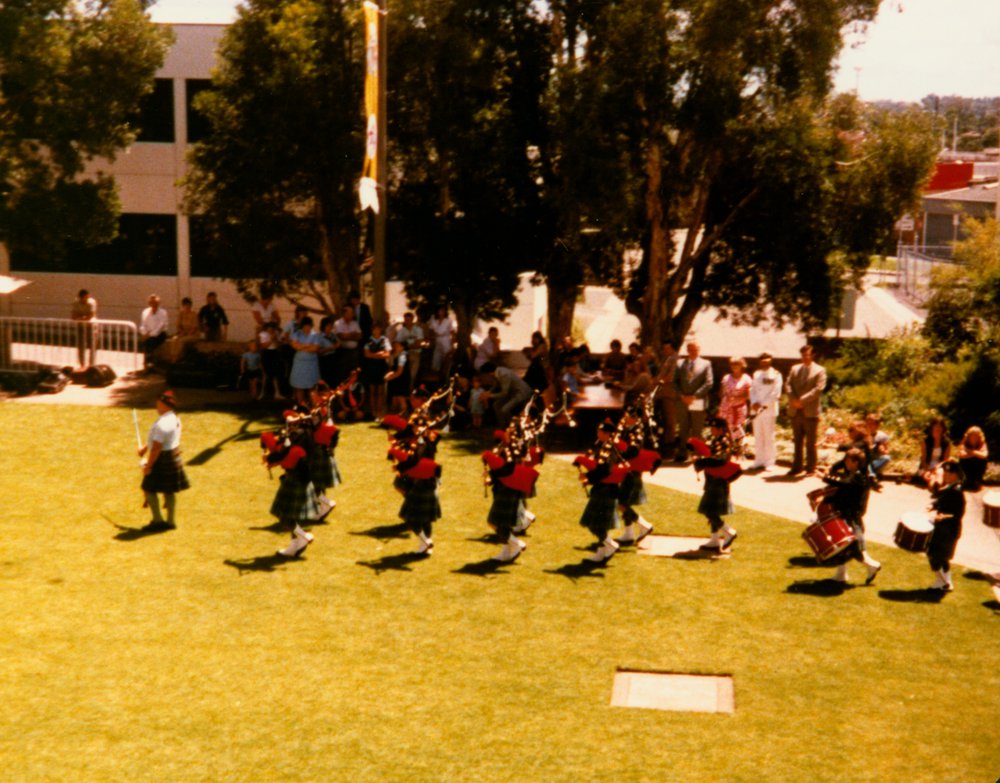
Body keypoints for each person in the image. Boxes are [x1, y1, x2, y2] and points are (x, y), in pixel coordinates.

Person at [819, 447, 882, 585]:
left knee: (852, 547)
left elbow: (844, 484)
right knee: (843, 546)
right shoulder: (853, 474)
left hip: (851, 516)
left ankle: (872, 565)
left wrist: (825, 477)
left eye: (848, 460)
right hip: (847, 514)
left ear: (855, 462)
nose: (845, 462)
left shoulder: (859, 476)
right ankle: (841, 574)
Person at [574, 420, 628, 563]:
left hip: (605, 489)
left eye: (600, 431)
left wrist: (588, 477)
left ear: (607, 433)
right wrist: (589, 479)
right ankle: (601, 553)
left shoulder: (608, 449)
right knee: (600, 525)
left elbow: (604, 470)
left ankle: (610, 545)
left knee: (594, 524)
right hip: (605, 488)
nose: (597, 433)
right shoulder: (605, 446)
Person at [137, 390, 190, 532]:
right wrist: (145, 448)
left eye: (158, 402)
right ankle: (171, 521)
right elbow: (158, 441)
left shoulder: (163, 424)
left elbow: (157, 448)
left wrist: (148, 465)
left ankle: (158, 521)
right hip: (172, 455)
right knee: (169, 490)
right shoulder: (174, 418)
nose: (156, 404)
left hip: (162, 457)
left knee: (148, 488)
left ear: (164, 405)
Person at [694, 417, 738, 553]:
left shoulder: (724, 441)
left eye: (714, 428)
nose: (711, 430)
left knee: (709, 510)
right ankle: (714, 540)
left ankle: (728, 531)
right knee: (713, 510)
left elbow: (720, 460)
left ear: (720, 429)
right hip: (712, 479)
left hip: (719, 480)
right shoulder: (716, 440)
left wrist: (703, 461)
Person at [785, 344, 827, 476]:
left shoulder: (820, 370)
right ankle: (796, 467)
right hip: (795, 410)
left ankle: (811, 468)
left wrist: (802, 400)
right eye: (802, 355)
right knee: (797, 441)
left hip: (810, 411)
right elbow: (788, 385)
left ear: (813, 355)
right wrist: (793, 399)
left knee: (810, 442)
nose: (804, 357)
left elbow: (818, 389)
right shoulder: (794, 369)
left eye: (807, 355)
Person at [926, 459, 966, 592]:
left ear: (955, 474)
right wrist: (932, 505)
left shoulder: (957, 490)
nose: (945, 475)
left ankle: (946, 583)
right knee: (934, 554)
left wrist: (943, 517)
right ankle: (942, 581)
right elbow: (941, 500)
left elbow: (958, 513)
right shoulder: (950, 487)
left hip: (949, 529)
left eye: (948, 473)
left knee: (940, 556)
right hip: (942, 527)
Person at [673, 340, 714, 462]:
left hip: (698, 400)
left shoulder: (706, 363)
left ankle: (697, 454)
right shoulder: (680, 364)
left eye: (695, 349)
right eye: (690, 350)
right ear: (687, 350)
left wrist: (694, 396)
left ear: (699, 350)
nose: (693, 352)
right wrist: (682, 395)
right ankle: (682, 453)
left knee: (697, 428)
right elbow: (674, 382)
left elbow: (709, 382)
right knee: (683, 427)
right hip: (682, 400)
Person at [748, 352, 782, 470]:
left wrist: (762, 405)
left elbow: (776, 393)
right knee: (758, 435)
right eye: (763, 360)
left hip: (768, 409)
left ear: (771, 360)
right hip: (756, 409)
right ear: (760, 361)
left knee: (769, 436)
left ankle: (770, 462)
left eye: (767, 360)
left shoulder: (776, 374)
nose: (765, 362)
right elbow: (752, 390)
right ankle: (759, 460)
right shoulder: (756, 374)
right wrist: (753, 402)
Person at [288, 316, 331, 405]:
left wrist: (302, 345)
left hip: (311, 363)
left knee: (312, 386)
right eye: (305, 326)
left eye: (309, 326)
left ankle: (314, 407)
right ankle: (301, 406)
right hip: (299, 363)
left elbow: (315, 348)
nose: (307, 328)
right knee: (299, 386)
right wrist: (308, 345)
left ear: (311, 326)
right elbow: (295, 346)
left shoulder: (315, 335)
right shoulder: (297, 334)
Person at [478, 361, 532, 428]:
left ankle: (511, 426)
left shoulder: (503, 374)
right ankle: (502, 425)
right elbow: (497, 385)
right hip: (511, 392)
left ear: (488, 373)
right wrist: (488, 392)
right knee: (496, 405)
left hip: (520, 393)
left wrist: (489, 396)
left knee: (505, 409)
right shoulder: (498, 372)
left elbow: (504, 393)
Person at [718, 356, 752, 456]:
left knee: (737, 429)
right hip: (726, 408)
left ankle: (739, 451)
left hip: (739, 408)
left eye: (737, 364)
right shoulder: (726, 378)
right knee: (726, 430)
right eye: (732, 364)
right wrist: (723, 402)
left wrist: (737, 398)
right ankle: (728, 451)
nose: (734, 366)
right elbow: (721, 392)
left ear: (742, 365)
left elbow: (749, 395)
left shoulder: (746, 378)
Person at [362, 323, 392, 420]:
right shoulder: (368, 341)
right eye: (375, 329)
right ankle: (373, 413)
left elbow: (387, 354)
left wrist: (374, 355)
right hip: (371, 367)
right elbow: (366, 354)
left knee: (380, 391)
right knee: (372, 391)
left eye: (378, 329)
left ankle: (379, 413)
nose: (376, 331)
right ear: (372, 330)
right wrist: (379, 354)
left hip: (381, 367)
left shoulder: (385, 340)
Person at [653, 342, 678, 456]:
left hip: (669, 393)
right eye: (664, 348)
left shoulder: (675, 359)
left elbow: (671, 376)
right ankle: (664, 446)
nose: (665, 350)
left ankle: (669, 448)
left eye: (667, 348)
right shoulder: (668, 358)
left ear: (672, 348)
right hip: (662, 393)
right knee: (664, 421)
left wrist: (658, 381)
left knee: (669, 421)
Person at [390, 312, 425, 387]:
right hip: (404, 353)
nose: (407, 322)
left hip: (415, 353)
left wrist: (406, 345)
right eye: (406, 320)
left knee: (412, 374)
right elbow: (397, 343)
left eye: (409, 320)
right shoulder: (401, 331)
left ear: (412, 319)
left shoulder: (418, 330)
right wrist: (409, 345)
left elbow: (419, 344)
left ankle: (410, 388)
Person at [916, 417, 951, 487]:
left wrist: (936, 467)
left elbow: (945, 460)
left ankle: (937, 485)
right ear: (932, 427)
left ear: (943, 429)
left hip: (939, 466)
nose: (938, 429)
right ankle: (936, 487)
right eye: (936, 426)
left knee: (939, 473)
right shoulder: (925, 442)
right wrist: (928, 470)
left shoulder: (946, 443)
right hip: (926, 466)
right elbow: (923, 459)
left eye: (940, 427)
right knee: (928, 476)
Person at [333, 304, 363, 383]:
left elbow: (359, 336)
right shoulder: (337, 323)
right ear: (345, 313)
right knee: (343, 374)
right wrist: (353, 334)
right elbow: (341, 337)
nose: (352, 315)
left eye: (352, 313)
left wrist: (347, 335)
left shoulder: (355, 323)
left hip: (354, 352)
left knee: (354, 373)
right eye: (350, 313)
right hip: (343, 352)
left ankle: (352, 390)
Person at [139, 294, 169, 371]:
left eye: (155, 303)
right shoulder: (145, 312)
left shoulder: (163, 312)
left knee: (150, 342)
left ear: (158, 303)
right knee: (146, 341)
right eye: (152, 303)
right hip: (148, 334)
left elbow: (160, 327)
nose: (154, 305)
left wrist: (149, 335)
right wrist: (144, 333)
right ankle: (148, 363)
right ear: (149, 303)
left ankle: (149, 362)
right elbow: (143, 325)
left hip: (160, 334)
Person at [955, 425, 989, 492]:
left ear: (979, 436)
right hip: (967, 467)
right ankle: (967, 481)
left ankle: (976, 481)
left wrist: (970, 452)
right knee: (966, 460)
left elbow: (985, 455)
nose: (974, 437)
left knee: (982, 460)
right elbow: (961, 455)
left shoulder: (982, 443)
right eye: (972, 435)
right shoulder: (964, 443)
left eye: (976, 435)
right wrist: (976, 454)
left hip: (977, 468)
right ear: (968, 436)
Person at [71, 289, 98, 369]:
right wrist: (83, 318)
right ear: (80, 297)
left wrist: (80, 318)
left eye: (87, 297)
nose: (86, 299)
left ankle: (91, 365)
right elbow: (73, 316)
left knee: (92, 346)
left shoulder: (92, 302)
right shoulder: (76, 303)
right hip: (81, 326)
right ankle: (82, 365)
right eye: (84, 298)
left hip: (91, 326)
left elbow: (91, 315)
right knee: (81, 346)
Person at [427, 304, 456, 377]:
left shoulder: (448, 320)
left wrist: (452, 345)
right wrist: (431, 339)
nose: (441, 312)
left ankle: (445, 377)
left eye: (443, 310)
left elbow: (452, 332)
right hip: (437, 340)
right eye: (440, 310)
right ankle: (435, 375)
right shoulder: (433, 320)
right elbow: (430, 330)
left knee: (446, 359)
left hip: (446, 340)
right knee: (436, 359)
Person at [384, 339, 410, 415]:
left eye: (398, 345)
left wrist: (390, 378)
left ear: (402, 347)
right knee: (394, 398)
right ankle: (394, 416)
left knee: (401, 398)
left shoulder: (402, 356)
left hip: (402, 380)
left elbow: (399, 371)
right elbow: (394, 369)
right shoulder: (396, 355)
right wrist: (390, 374)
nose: (396, 346)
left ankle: (404, 415)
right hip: (396, 380)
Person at [865, 413, 892, 478]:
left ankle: (870, 471)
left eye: (872, 424)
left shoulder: (882, 436)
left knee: (887, 458)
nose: (869, 425)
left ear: (877, 425)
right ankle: (872, 473)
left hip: (875, 458)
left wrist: (882, 450)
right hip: (865, 458)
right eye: (868, 423)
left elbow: (887, 451)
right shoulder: (863, 434)